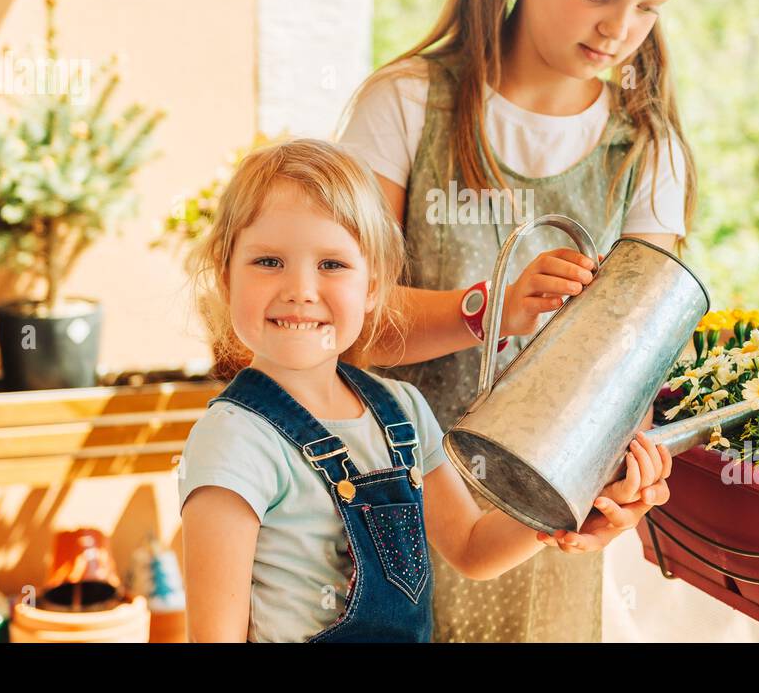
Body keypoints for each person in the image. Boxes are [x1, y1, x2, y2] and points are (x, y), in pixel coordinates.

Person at [337, 0, 699, 642]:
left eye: (648, 7)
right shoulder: (404, 107)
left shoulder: (646, 150)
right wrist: (486, 307)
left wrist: (620, 491)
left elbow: (628, 385)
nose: (620, 29)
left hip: (538, 539)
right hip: (390, 517)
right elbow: (344, 326)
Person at [177, 139, 671, 642]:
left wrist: (579, 497)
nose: (300, 289)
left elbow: (473, 548)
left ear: (374, 285)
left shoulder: (403, 412)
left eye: (332, 265)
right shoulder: (234, 439)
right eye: (268, 262)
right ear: (225, 277)